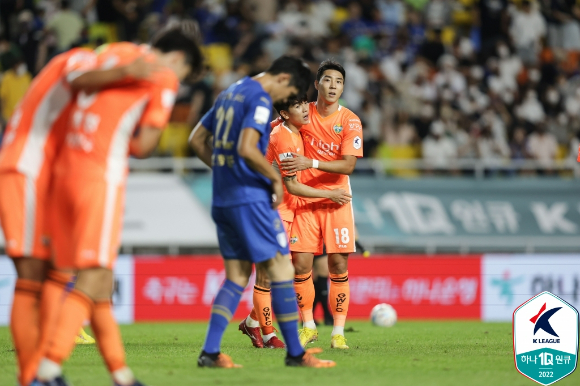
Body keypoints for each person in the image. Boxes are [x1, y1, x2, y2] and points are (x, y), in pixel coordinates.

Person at [34, 21, 203, 386]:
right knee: (94, 274)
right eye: (184, 71)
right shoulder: (164, 75)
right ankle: (48, 365)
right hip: (99, 174)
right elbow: (144, 147)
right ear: (177, 57)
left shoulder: (117, 52)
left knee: (100, 281)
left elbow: (75, 80)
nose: (179, 78)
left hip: (62, 168)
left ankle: (120, 373)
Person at [0, 44, 160, 386]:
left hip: (44, 171)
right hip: (27, 165)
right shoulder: (82, 57)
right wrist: (128, 72)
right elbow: (80, 77)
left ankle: (107, 374)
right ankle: (32, 376)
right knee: (32, 280)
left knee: (60, 275)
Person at [189, 55, 335, 368]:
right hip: (250, 199)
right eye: (291, 93)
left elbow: (197, 139)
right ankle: (296, 354)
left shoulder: (231, 91)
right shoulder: (258, 97)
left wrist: (223, 172)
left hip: (223, 197)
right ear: (283, 79)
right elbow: (245, 146)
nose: (287, 102)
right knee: (282, 268)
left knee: (237, 275)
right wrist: (273, 180)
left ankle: (210, 352)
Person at [238, 95, 351, 349]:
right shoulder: (285, 136)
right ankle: (267, 335)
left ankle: (252, 322)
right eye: (297, 106)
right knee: (267, 276)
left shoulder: (291, 130)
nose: (305, 109)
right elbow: (293, 185)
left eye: (304, 103)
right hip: (271, 211)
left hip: (288, 211)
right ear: (286, 113)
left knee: (283, 274)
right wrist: (330, 193)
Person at [277, 59, 364, 349]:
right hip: (304, 198)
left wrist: (310, 162)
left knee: (338, 265)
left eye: (338, 82)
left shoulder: (350, 120)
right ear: (316, 84)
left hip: (337, 199)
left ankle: (338, 333)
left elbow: (348, 165)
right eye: (327, 80)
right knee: (300, 264)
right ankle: (309, 326)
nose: (333, 86)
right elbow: (280, 127)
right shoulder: (303, 113)